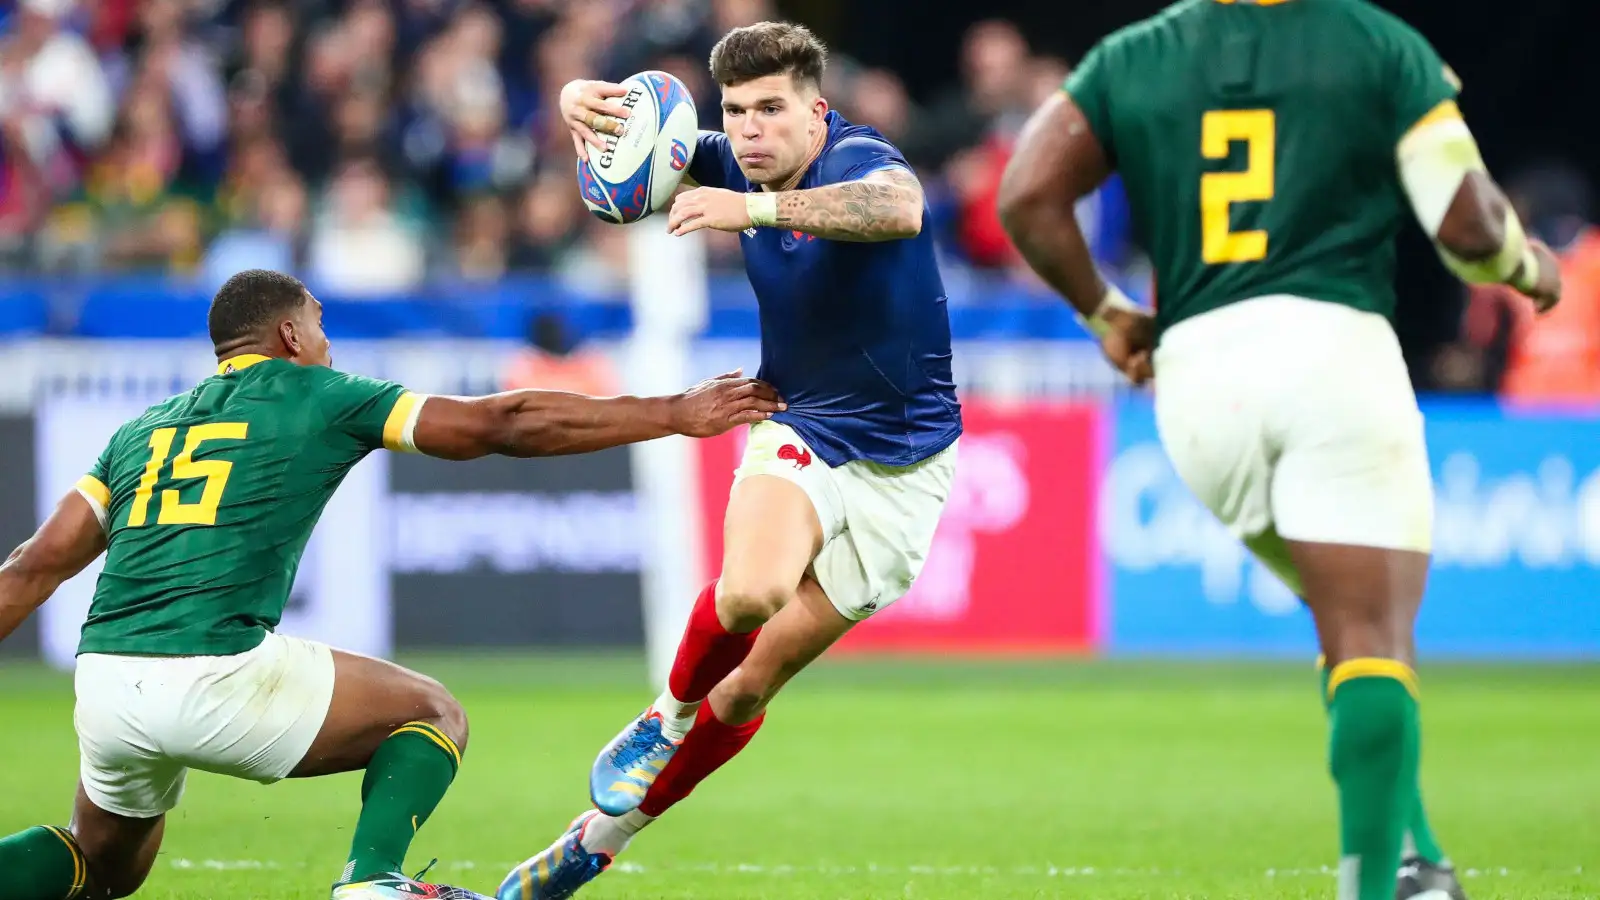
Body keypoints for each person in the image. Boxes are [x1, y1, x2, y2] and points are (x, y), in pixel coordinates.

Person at [995, 3, 1562, 900]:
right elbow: (1465, 225)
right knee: (1372, 635)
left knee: (1338, 614)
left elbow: (1025, 194)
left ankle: (1415, 858)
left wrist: (1106, 313)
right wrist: (1527, 268)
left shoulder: (1135, 54)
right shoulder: (1374, 40)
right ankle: (1376, 886)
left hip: (1197, 387)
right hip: (1331, 355)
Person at [0, 268, 783, 900]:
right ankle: (372, 881)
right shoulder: (320, 394)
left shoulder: (142, 431)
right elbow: (499, 424)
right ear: (290, 334)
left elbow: (33, 566)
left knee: (101, 870)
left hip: (104, 681)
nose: (329, 342)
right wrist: (673, 411)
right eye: (321, 324)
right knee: (431, 712)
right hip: (213, 672)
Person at [500, 20, 962, 900]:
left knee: (748, 689)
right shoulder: (724, 157)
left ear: (817, 112)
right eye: (736, 112)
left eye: (770, 110)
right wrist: (576, 112)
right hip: (800, 423)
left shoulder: (861, 162)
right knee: (749, 592)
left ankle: (598, 840)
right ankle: (662, 717)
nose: (749, 130)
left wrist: (749, 207)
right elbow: (618, 176)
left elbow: (898, 210)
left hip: (909, 468)